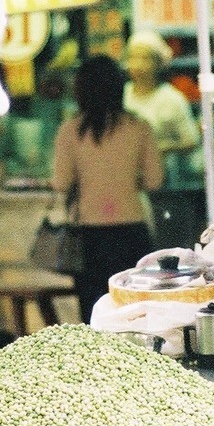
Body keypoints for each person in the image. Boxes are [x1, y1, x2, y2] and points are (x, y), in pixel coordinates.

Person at [51, 55, 164, 322]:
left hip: (90, 238)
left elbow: (60, 182)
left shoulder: (70, 131)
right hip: (132, 232)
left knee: (94, 313)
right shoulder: (139, 127)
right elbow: (154, 181)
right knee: (135, 311)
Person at [121, 30, 201, 187]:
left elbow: (191, 140)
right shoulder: (121, 95)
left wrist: (163, 148)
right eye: (133, 57)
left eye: (145, 58)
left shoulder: (172, 98)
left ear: (158, 63)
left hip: (166, 180)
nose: (138, 64)